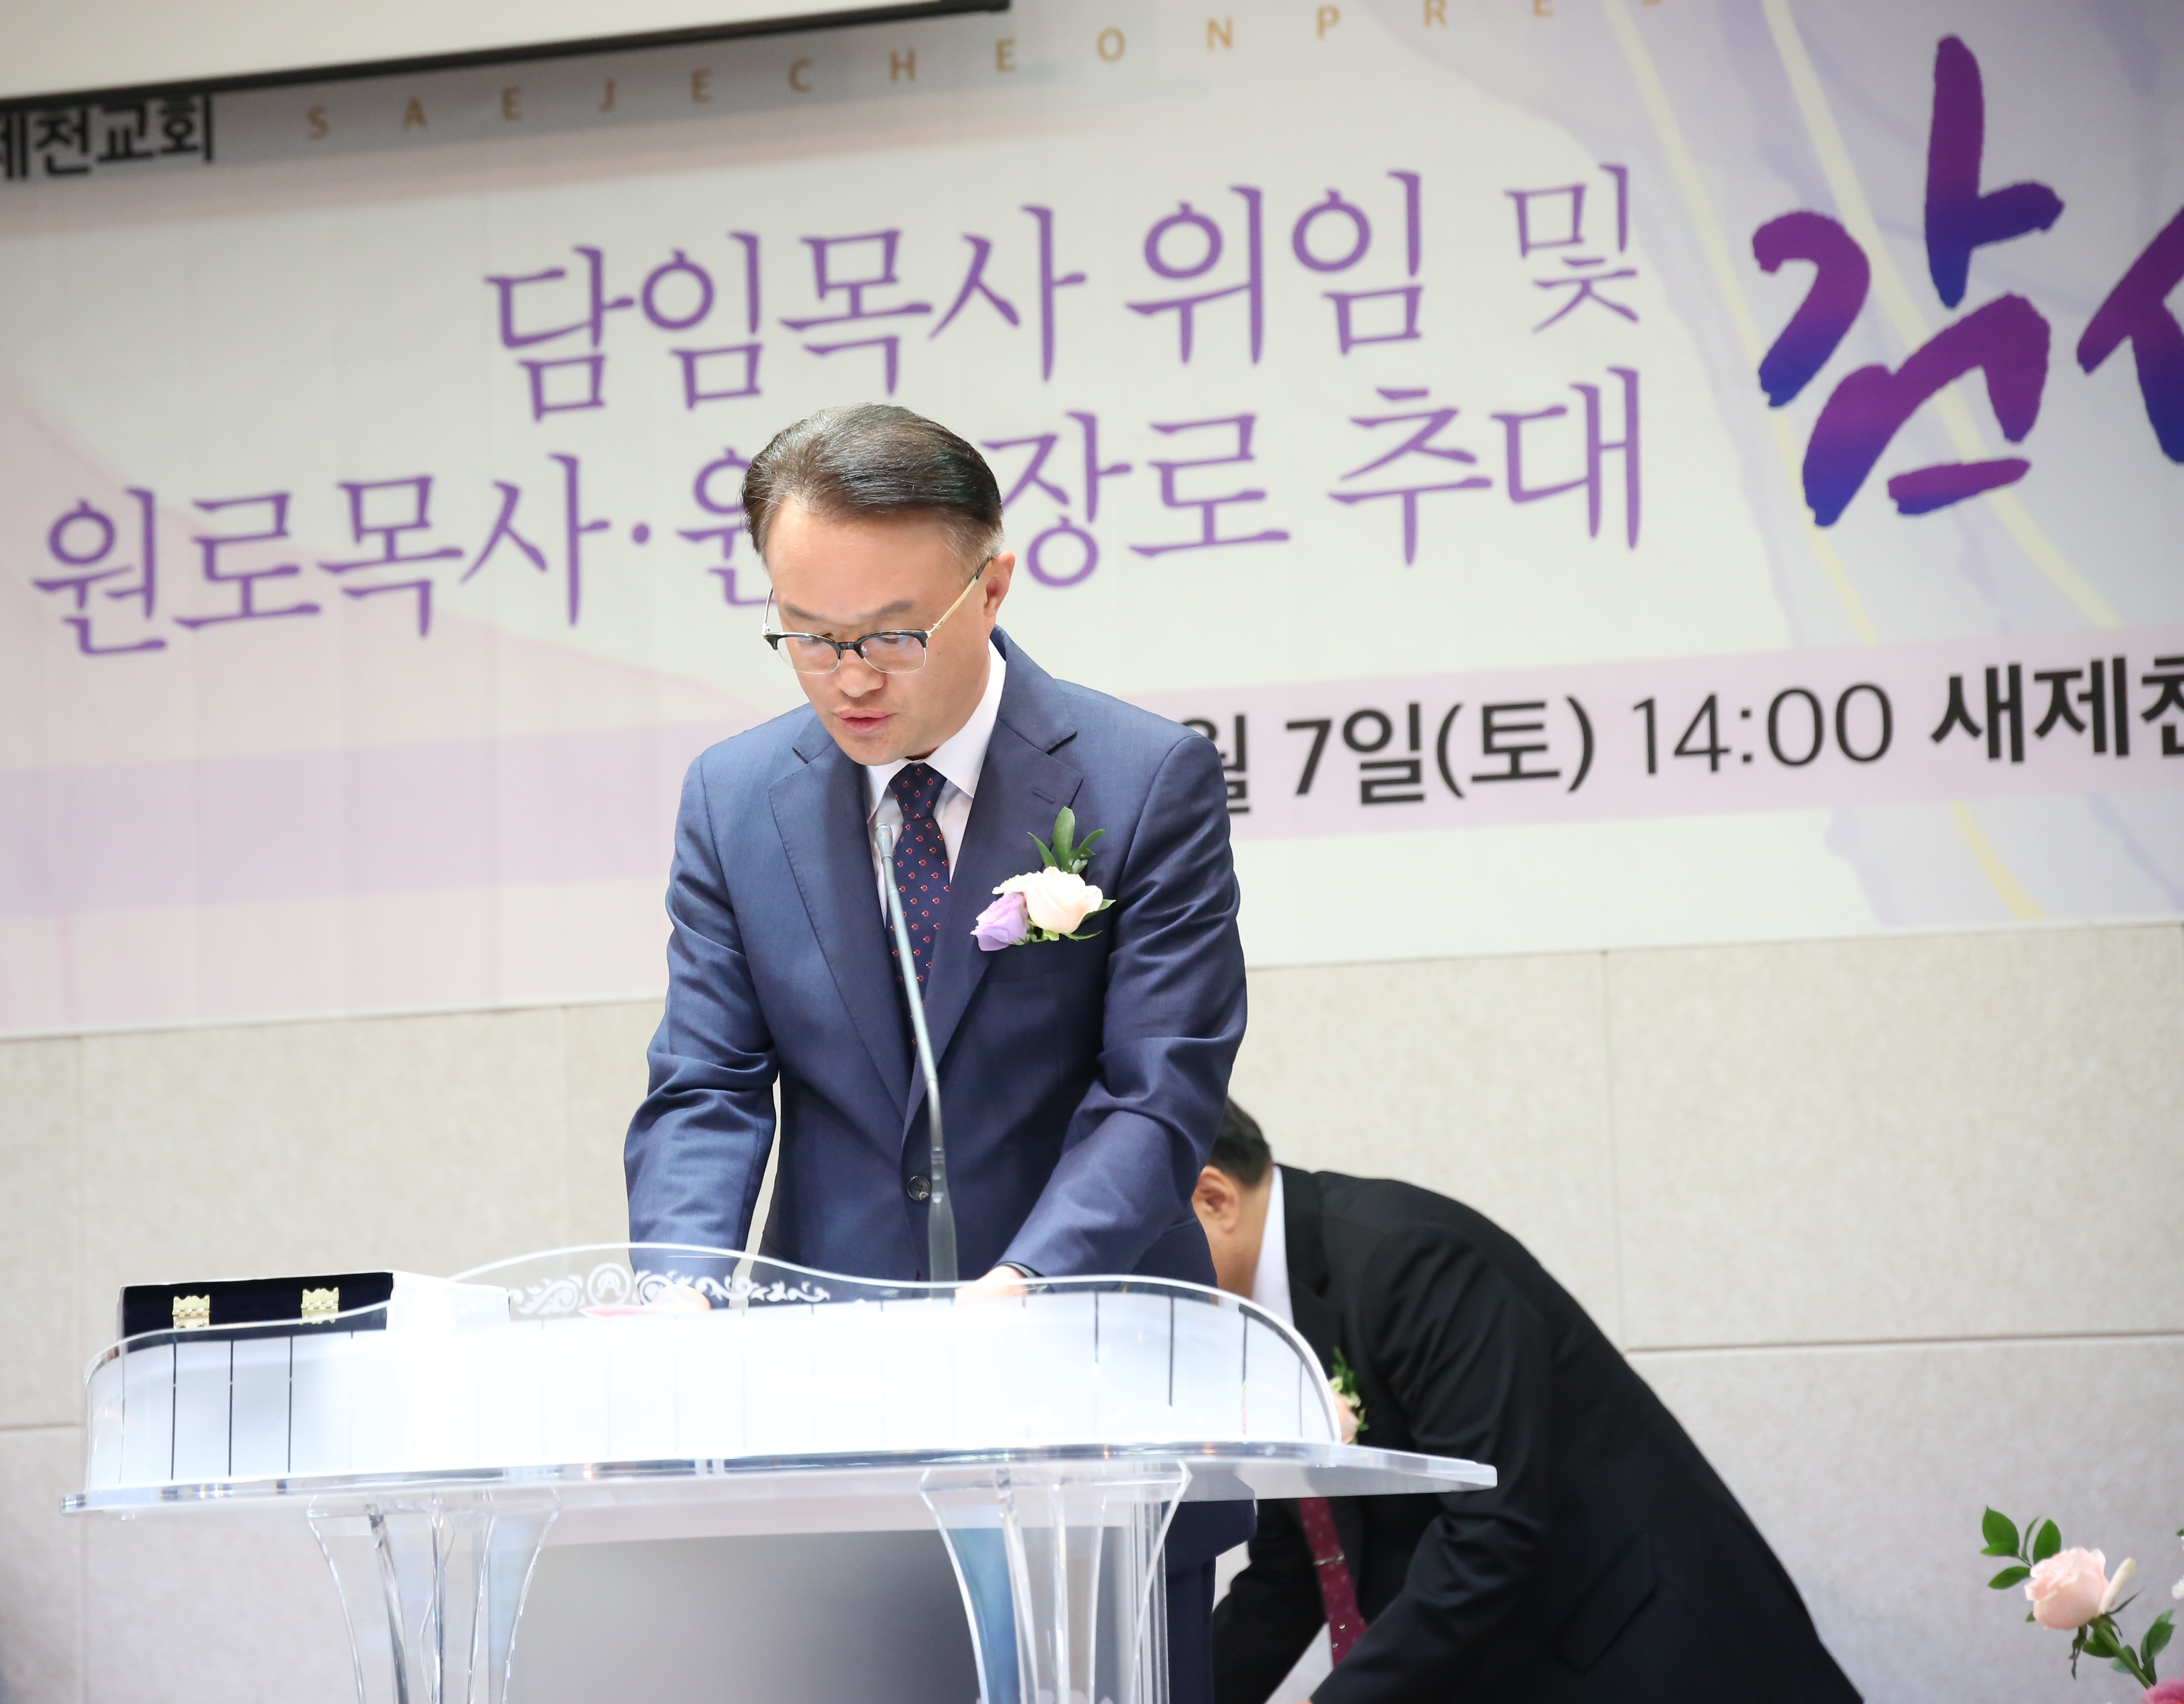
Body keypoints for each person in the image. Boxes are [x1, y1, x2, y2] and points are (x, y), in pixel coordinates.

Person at [624, 402, 1250, 1699]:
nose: (849, 678)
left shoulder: (1141, 779)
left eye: (891, 634)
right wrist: (679, 1287)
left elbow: (1156, 1090)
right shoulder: (735, 799)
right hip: (835, 1420)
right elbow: (707, 1083)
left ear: (993, 585)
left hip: (1091, 1395)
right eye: (808, 634)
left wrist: (1024, 1286)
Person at [1197, 1103, 1863, 1704]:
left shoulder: (1406, 1258)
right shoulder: (1258, 1326)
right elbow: (1293, 1569)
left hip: (1639, 1649)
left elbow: (1493, 1527)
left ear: (1214, 1197)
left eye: (1150, 1249)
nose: (1148, 1290)